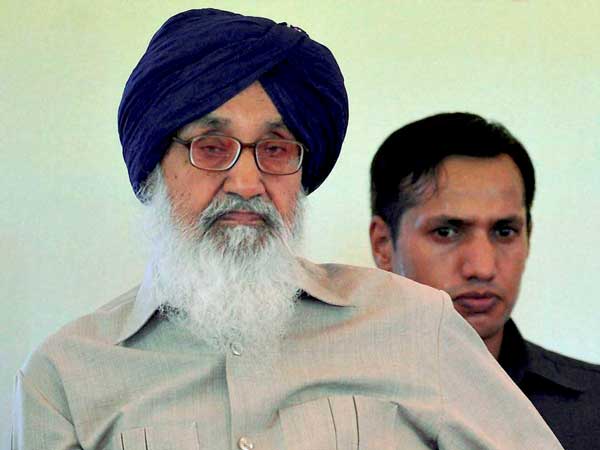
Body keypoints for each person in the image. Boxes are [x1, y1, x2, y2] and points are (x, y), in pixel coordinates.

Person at [12, 10, 563, 449]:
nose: (247, 183)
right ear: (154, 167)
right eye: (211, 147)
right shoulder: (65, 378)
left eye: (276, 149)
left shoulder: (416, 325)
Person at [369, 112, 600, 450]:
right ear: (383, 245)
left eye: (505, 231)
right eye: (446, 232)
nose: (482, 267)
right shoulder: (327, 406)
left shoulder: (592, 410)